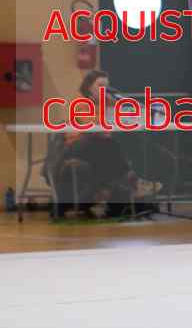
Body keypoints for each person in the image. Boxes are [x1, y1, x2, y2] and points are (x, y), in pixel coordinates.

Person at [56, 70, 160, 217]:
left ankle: (117, 192)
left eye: (106, 86)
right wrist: (110, 117)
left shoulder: (108, 100)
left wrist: (140, 114)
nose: (104, 89)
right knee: (109, 146)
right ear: (89, 86)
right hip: (76, 145)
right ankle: (132, 184)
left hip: (98, 146)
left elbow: (122, 115)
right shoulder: (80, 102)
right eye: (100, 85)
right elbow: (92, 125)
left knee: (108, 148)